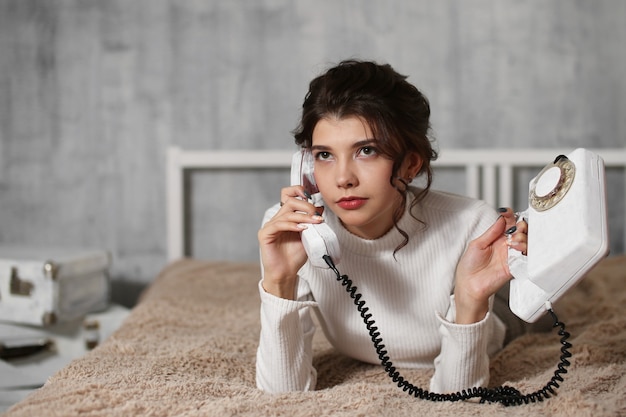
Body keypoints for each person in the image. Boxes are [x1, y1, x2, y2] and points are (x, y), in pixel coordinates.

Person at [256, 59, 529, 394]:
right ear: (307, 168)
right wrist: (279, 281)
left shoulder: (470, 223)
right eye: (325, 155)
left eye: (366, 151)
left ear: (411, 163)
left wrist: (471, 298)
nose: (343, 179)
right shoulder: (293, 231)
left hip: (498, 314)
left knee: (533, 296)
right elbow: (282, 395)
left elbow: (458, 395)